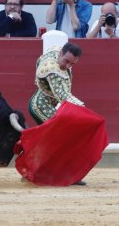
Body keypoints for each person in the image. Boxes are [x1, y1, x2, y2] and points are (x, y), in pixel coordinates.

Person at [28, 42, 87, 186]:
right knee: (62, 138)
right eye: (66, 61)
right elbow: (63, 96)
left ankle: (32, 170)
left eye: (72, 64)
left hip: (47, 104)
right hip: (41, 107)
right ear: (61, 53)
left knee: (52, 139)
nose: (67, 66)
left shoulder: (55, 51)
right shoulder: (52, 70)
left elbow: (38, 60)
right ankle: (66, 174)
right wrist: (83, 107)